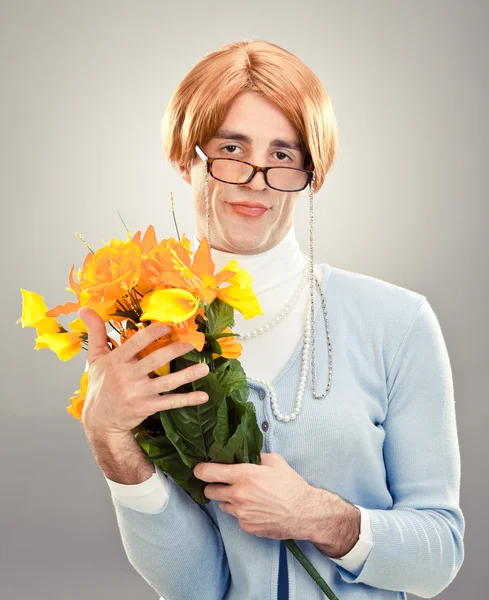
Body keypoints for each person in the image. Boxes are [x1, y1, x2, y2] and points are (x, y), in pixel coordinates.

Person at [79, 40, 465, 600]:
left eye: (283, 155)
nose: (257, 178)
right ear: (185, 158)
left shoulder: (397, 323)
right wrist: (109, 439)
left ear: (312, 173)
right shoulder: (144, 339)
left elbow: (439, 557)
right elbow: (194, 587)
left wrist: (319, 517)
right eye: (231, 147)